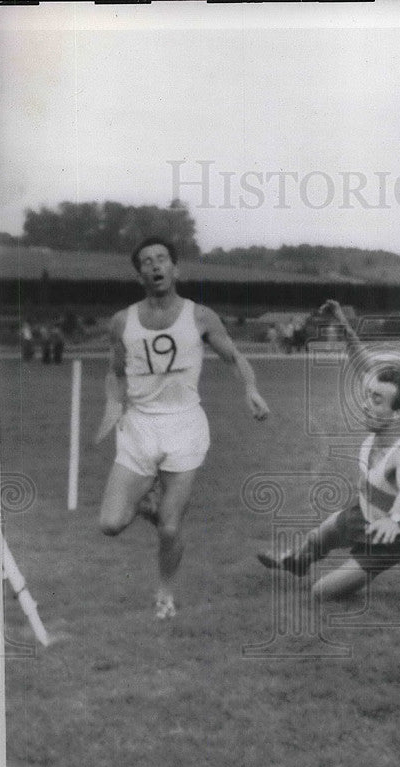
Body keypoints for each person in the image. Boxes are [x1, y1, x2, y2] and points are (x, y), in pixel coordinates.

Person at [97, 236, 270, 619]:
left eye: (162, 259)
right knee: (110, 524)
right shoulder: (122, 321)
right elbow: (114, 371)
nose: (155, 266)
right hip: (139, 427)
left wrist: (251, 389)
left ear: (176, 269)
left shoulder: (200, 316)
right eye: (146, 261)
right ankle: (148, 503)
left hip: (185, 427)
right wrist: (113, 404)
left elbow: (234, 356)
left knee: (170, 529)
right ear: (139, 272)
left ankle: (165, 594)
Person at [257, 300, 400, 600]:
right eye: (368, 395)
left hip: (389, 538)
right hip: (361, 513)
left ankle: (356, 569)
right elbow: (363, 363)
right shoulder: (386, 407)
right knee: (315, 539)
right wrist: (342, 322)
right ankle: (295, 563)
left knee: (320, 594)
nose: (365, 403)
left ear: (398, 413)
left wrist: (394, 520)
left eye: (376, 400)